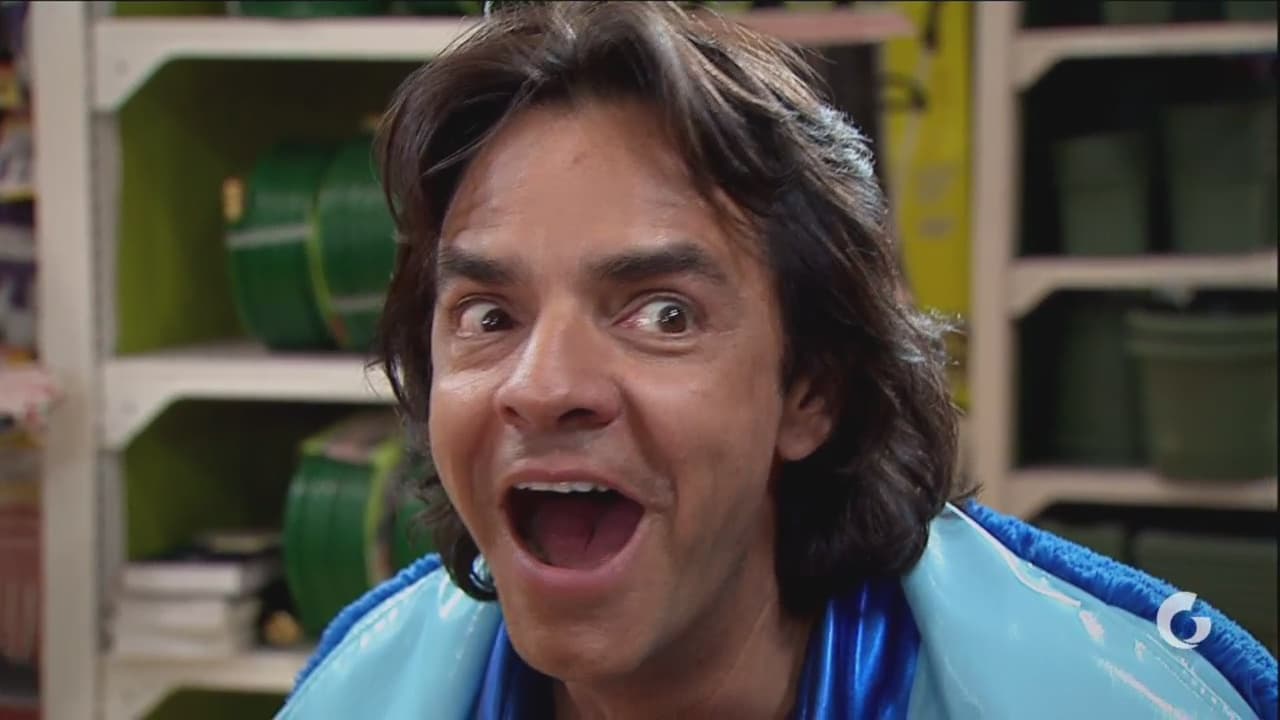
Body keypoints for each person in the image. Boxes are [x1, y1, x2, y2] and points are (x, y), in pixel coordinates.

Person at [277, 3, 1277, 718]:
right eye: (489, 315)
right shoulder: (359, 691)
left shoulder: (1108, 697)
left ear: (813, 389)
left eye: (663, 314)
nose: (542, 387)